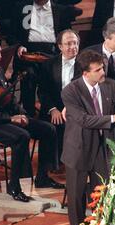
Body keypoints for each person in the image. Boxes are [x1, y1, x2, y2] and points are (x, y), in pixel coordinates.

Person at [0, 39, 64, 202]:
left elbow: (7, 98)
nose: (0, 56)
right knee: (21, 136)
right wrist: (11, 119)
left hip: (4, 119)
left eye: (0, 52)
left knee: (48, 129)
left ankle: (42, 177)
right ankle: (14, 187)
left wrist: (22, 114)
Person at [60, 49, 115, 225]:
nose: (103, 72)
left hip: (103, 148)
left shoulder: (111, 85)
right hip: (79, 148)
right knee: (76, 197)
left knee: (102, 193)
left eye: (102, 68)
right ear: (86, 73)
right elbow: (83, 119)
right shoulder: (70, 91)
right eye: (98, 70)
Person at [8, 0, 75, 117]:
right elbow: (11, 34)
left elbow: (67, 33)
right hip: (28, 53)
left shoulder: (61, 10)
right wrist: (19, 45)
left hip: (52, 54)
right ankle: (29, 114)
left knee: (54, 75)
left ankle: (51, 110)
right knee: (28, 75)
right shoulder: (23, 8)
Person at [38, 29, 82, 160]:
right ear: (60, 46)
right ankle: (52, 164)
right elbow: (42, 91)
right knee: (50, 127)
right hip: (56, 107)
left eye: (75, 43)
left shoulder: (85, 64)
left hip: (78, 107)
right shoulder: (49, 64)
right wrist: (52, 109)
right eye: (68, 44)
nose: (73, 47)